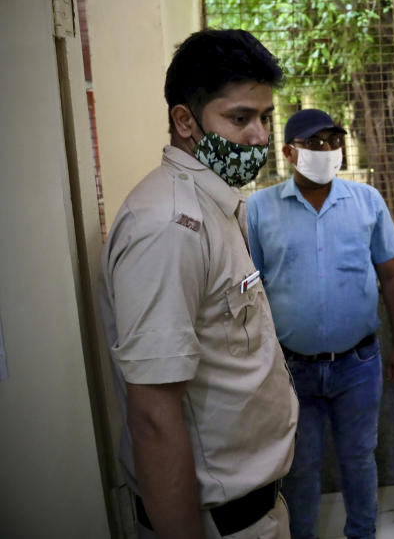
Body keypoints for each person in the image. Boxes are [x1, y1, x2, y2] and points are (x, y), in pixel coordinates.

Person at [99, 29, 298, 539]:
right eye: (240, 118)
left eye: (264, 118)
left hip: (256, 510)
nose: (259, 136)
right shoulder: (168, 225)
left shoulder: (214, 205)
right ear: (185, 120)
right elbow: (153, 415)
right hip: (218, 524)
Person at [247, 108, 394, 539]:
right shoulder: (260, 209)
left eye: (333, 141)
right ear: (288, 152)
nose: (327, 151)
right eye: (315, 143)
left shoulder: (366, 201)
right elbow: (252, 289)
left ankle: (362, 532)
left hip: (357, 363)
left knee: (360, 457)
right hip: (291, 367)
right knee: (301, 467)